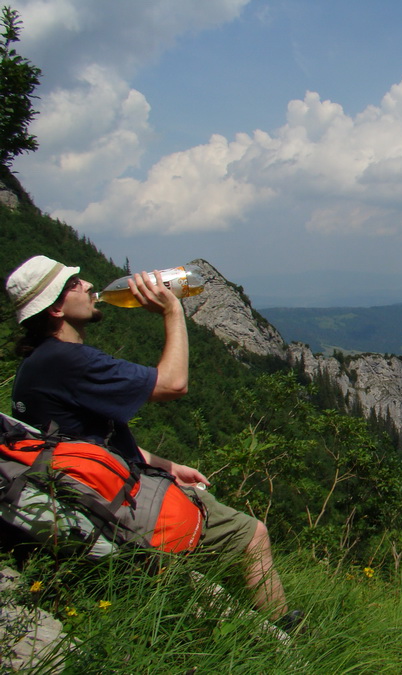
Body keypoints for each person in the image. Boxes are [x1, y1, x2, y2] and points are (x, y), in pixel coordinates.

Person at [5, 255, 301, 631]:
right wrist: (172, 311)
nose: (88, 286)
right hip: (120, 500)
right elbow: (173, 383)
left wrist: (166, 465)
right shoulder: (68, 359)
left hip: (101, 489)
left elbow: (85, 439)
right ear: (57, 308)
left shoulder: (37, 366)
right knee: (252, 534)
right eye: (73, 284)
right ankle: (283, 635)